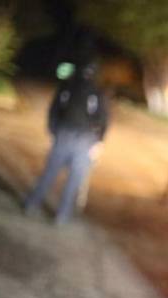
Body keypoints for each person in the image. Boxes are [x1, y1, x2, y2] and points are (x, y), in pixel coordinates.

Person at [24, 62, 108, 224]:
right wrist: (99, 143)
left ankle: (32, 204)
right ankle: (61, 216)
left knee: (49, 173)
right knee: (73, 181)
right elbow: (103, 120)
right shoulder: (96, 92)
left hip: (64, 135)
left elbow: (54, 111)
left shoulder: (67, 87)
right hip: (85, 139)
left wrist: (54, 131)